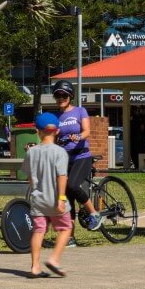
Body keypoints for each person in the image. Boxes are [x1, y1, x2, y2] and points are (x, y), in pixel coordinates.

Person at [23, 113, 71, 278]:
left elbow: (29, 178)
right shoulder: (60, 152)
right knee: (65, 228)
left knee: (38, 230)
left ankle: (35, 267)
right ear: (57, 131)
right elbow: (62, 176)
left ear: (38, 131)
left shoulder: (31, 152)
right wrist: (61, 198)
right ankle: (54, 259)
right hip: (55, 198)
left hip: (38, 198)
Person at [51, 81, 102, 230]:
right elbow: (52, 139)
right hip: (65, 159)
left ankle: (94, 214)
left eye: (64, 95)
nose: (61, 98)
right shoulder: (55, 117)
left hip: (81, 156)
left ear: (70, 96)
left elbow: (87, 131)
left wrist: (79, 136)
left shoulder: (80, 111)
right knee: (67, 196)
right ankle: (70, 236)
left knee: (72, 185)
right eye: (57, 95)